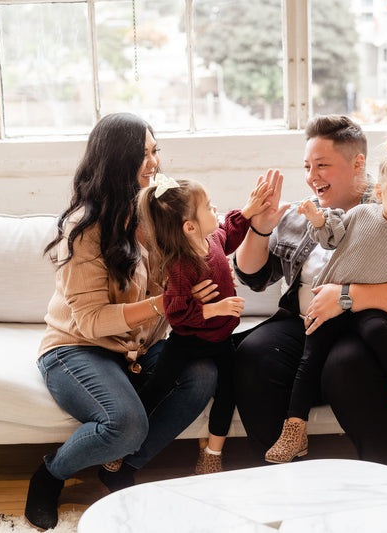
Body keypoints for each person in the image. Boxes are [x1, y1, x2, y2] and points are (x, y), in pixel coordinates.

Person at [232, 114, 387, 472]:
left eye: (322, 165)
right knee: (253, 354)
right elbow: (254, 277)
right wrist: (260, 230)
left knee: (347, 365)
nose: (312, 176)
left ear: (358, 164)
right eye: (308, 166)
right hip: (309, 325)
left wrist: (345, 296)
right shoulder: (303, 214)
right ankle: (285, 476)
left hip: (385, 328)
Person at [24, 113, 218, 531]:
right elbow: (92, 321)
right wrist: (166, 304)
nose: (154, 163)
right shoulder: (86, 229)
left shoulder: (158, 212)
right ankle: (50, 474)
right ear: (116, 162)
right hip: (76, 349)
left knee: (203, 373)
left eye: (155, 151)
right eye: (142, 155)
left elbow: (207, 245)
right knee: (126, 423)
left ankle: (119, 467)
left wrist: (246, 226)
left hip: (138, 348)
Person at [103, 174, 271, 476]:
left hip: (220, 340)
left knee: (228, 391)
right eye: (208, 206)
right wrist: (215, 308)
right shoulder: (180, 266)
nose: (215, 208)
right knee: (157, 388)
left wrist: (247, 211)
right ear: (189, 226)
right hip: (186, 342)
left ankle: (212, 454)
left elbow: (230, 233)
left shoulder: (214, 241)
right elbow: (177, 313)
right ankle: (121, 443)